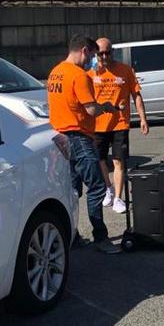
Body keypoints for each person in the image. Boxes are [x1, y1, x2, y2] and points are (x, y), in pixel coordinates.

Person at [47, 34, 122, 253]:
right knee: (98, 187)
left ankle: (73, 236)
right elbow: (90, 109)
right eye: (93, 55)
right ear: (85, 51)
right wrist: (106, 107)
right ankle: (100, 237)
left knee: (71, 190)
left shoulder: (54, 73)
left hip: (58, 137)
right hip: (78, 137)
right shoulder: (79, 75)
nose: (93, 61)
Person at [90, 37, 149, 212]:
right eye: (100, 54)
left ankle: (118, 198)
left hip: (120, 124)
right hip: (98, 125)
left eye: (107, 52)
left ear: (112, 52)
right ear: (95, 54)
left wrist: (143, 119)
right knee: (100, 160)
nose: (104, 56)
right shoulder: (91, 73)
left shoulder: (125, 70)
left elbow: (136, 95)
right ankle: (108, 189)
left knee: (118, 161)